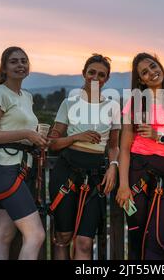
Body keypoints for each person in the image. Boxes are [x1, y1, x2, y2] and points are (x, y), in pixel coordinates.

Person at [116, 52, 164, 260]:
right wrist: (123, 186)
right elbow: (124, 148)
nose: (152, 73)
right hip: (136, 176)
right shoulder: (134, 103)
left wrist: (158, 136)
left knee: (158, 240)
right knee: (136, 239)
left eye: (153, 66)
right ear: (140, 79)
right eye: (145, 72)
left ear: (160, 65)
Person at [47, 54, 120, 260]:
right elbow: (53, 143)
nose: (96, 77)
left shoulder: (113, 107)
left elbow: (114, 146)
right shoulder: (69, 103)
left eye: (101, 74)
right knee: (63, 236)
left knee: (85, 242)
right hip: (66, 173)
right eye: (92, 72)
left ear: (107, 79)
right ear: (84, 74)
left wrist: (113, 166)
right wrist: (77, 136)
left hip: (95, 176)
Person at [0, 46, 47, 260]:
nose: (20, 65)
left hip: (22, 167)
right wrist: (27, 133)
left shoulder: (26, 96)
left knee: (4, 235)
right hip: (6, 169)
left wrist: (36, 138)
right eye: (14, 61)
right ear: (4, 68)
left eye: (24, 61)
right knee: (36, 235)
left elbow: (18, 130)